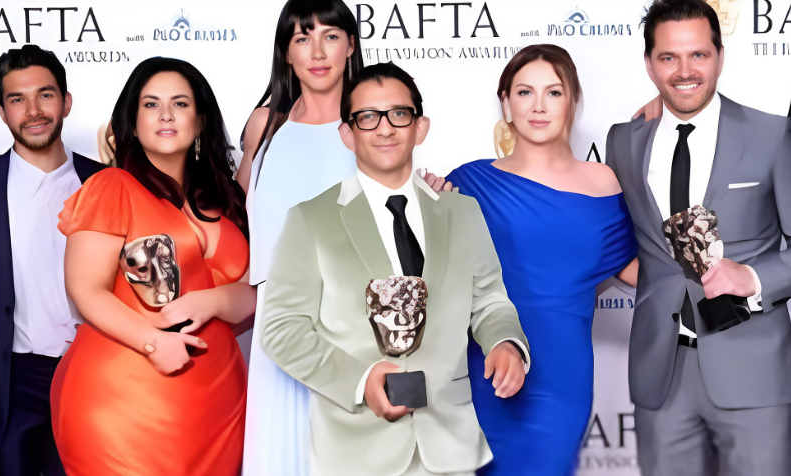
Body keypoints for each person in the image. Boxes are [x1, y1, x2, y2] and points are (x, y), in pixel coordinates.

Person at [261, 61, 530, 476]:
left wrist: (505, 342)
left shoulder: (463, 212)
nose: (385, 128)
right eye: (368, 117)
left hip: (450, 446)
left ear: (420, 127)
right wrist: (360, 380)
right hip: (355, 453)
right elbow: (282, 329)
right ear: (346, 134)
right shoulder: (310, 220)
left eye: (399, 114)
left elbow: (489, 301)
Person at [606, 1, 791, 474]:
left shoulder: (773, 134)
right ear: (649, 63)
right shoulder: (623, 141)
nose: (684, 71)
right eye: (668, 57)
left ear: (720, 56)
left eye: (699, 55)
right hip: (661, 376)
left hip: (754, 371)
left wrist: (753, 277)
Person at [49, 57, 255, 475]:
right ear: (132, 120)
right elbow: (85, 289)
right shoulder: (112, 186)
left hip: (219, 404)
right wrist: (152, 343)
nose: (165, 115)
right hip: (123, 397)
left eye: (180, 103)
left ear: (200, 120)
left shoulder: (225, 200)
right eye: (150, 104)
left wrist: (213, 300)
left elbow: (254, 299)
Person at [447, 45, 638, 476]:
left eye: (553, 92)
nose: (538, 106)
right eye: (524, 92)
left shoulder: (603, 182)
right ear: (506, 103)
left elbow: (632, 270)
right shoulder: (467, 182)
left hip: (561, 378)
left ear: (573, 101)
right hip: (483, 370)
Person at [0, 45, 106, 476]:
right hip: (12, 378)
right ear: (2, 111)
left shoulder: (106, 183)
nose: (33, 111)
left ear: (66, 101)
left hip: (94, 370)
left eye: (45, 94)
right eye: (17, 99)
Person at [236, 1, 364, 473]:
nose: (318, 51)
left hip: (353, 324)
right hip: (278, 321)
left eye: (330, 36)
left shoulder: (371, 126)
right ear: (286, 52)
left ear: (351, 46)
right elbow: (239, 218)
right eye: (302, 38)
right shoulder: (265, 126)